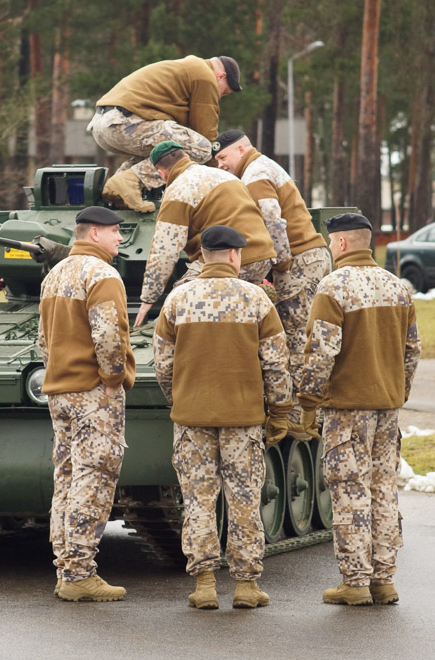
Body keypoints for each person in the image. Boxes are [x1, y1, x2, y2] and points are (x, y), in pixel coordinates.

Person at [153, 225, 292, 610]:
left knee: (198, 500)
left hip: (192, 419)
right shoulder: (257, 300)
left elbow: (163, 366)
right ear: (235, 255)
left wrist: (180, 399)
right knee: (245, 499)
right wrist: (279, 411)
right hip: (243, 419)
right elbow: (276, 365)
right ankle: (247, 586)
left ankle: (204, 583)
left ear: (201, 255)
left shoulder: (177, 301)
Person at [295, 213, 421, 607]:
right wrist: (397, 391)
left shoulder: (333, 287)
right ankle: (384, 580)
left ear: (342, 243)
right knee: (384, 490)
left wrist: (308, 403)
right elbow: (412, 350)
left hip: (347, 410)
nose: (331, 249)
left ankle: (355, 581)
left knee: (349, 492)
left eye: (332, 243)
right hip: (386, 409)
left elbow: (321, 354)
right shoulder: (398, 288)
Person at [36, 205, 136, 602]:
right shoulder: (103, 275)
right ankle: (80, 573)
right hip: (94, 392)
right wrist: (113, 379)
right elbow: (110, 336)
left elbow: (43, 341)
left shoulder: (54, 275)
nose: (119, 239)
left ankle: (66, 567)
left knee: (67, 478)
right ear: (94, 234)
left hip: (59, 389)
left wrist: (58, 375)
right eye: (114, 232)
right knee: (93, 479)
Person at [212, 129, 332, 436]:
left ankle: (296, 414)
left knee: (294, 336)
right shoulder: (259, 167)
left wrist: (279, 264)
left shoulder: (254, 173)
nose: (220, 165)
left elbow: (272, 221)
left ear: (241, 149)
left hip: (299, 259)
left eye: (223, 157)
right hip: (305, 256)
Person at [133, 140, 275, 327]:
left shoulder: (178, 189)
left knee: (182, 300)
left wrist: (148, 299)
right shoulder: (226, 176)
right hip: (261, 258)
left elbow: (164, 251)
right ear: (187, 157)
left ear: (162, 173)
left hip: (228, 259)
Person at [88, 55, 242, 213]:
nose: (220, 97)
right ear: (221, 76)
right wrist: (225, 176)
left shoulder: (190, 68)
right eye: (224, 92)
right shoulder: (206, 77)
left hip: (103, 124)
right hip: (124, 123)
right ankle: (131, 179)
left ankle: (117, 192)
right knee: (202, 149)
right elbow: (205, 133)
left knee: (165, 149)